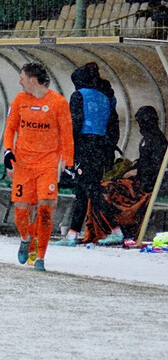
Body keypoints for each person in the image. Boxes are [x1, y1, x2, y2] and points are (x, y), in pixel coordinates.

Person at [2, 61, 74, 271]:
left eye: (22, 78)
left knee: (44, 210)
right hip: (23, 165)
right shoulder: (19, 100)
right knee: (21, 212)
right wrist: (8, 152)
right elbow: (10, 129)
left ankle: (41, 256)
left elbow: (67, 136)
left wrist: (68, 163)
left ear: (33, 80)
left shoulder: (58, 103)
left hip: (47, 165)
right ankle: (26, 238)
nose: (20, 82)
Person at [57, 63, 122, 246]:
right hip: (100, 147)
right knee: (82, 191)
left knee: (91, 190)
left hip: (85, 145)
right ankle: (72, 234)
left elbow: (75, 124)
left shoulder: (79, 96)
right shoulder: (105, 96)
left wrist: (70, 151)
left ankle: (117, 230)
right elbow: (112, 125)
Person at [84, 106, 168, 244]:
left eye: (141, 121)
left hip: (145, 185)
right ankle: (113, 229)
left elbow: (155, 168)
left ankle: (115, 230)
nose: (140, 125)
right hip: (138, 181)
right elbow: (144, 162)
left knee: (102, 190)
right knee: (99, 189)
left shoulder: (157, 140)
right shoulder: (147, 138)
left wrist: (138, 172)